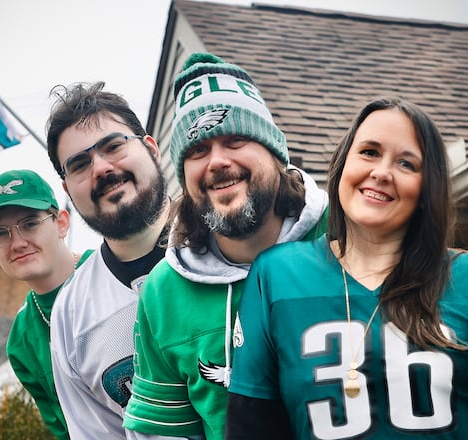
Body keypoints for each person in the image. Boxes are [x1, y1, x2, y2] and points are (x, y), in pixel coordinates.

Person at [225, 96, 468, 439]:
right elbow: (252, 424)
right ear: (342, 163)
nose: (381, 173)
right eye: (369, 152)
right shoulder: (276, 275)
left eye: (406, 164)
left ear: (427, 190)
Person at [122, 52, 329, 440]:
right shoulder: (162, 292)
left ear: (275, 152)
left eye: (235, 139)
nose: (217, 162)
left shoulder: (348, 233)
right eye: (197, 151)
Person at [44, 82, 170, 439]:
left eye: (113, 146)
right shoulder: (72, 316)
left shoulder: (231, 244)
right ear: (68, 191)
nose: (100, 168)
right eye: (79, 164)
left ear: (151, 149)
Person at [0, 169, 92, 439]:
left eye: (30, 223)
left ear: (62, 223)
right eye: (0, 233)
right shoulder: (21, 341)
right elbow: (67, 431)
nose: (17, 243)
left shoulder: (113, 274)